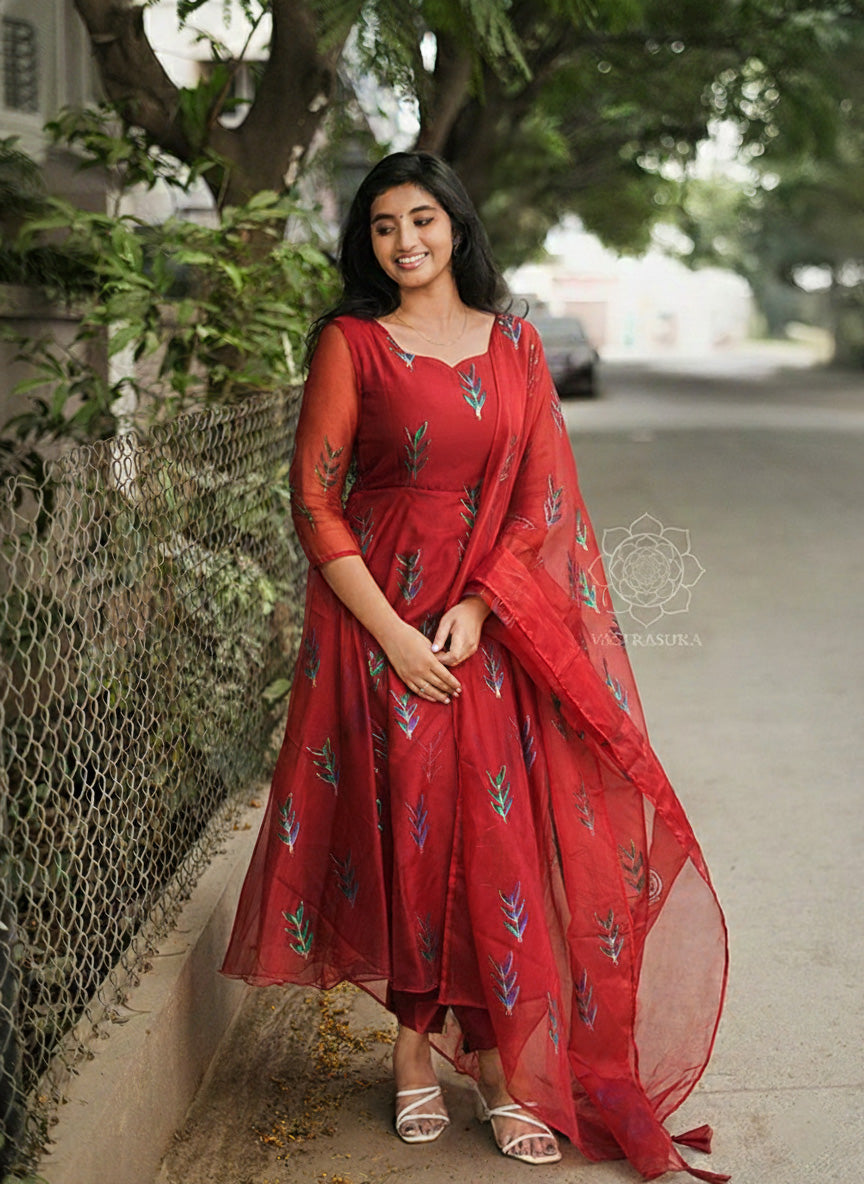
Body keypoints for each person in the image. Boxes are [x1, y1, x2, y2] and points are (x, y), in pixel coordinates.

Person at [220, 152, 729, 1181]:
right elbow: (315, 501)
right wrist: (394, 635)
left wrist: (480, 605)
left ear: (456, 225)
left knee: (495, 840)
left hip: (490, 631)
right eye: (382, 227)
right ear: (366, 243)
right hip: (379, 626)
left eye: (421, 219)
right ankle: (414, 1050)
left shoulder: (517, 346)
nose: (404, 241)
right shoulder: (353, 344)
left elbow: (541, 500)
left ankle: (500, 1064)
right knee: (412, 835)